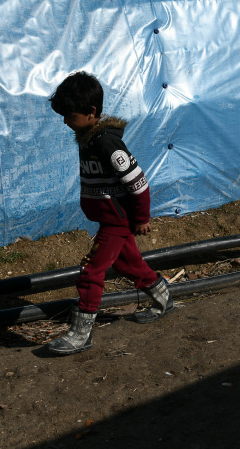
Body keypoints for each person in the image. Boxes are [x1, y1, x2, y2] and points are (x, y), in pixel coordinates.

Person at [46, 71, 174, 355]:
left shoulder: (107, 143)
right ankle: (164, 298)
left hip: (117, 221)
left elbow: (139, 183)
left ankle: (81, 334)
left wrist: (141, 218)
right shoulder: (88, 139)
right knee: (129, 264)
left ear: (91, 112)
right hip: (110, 218)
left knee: (90, 270)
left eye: (70, 116)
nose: (65, 121)